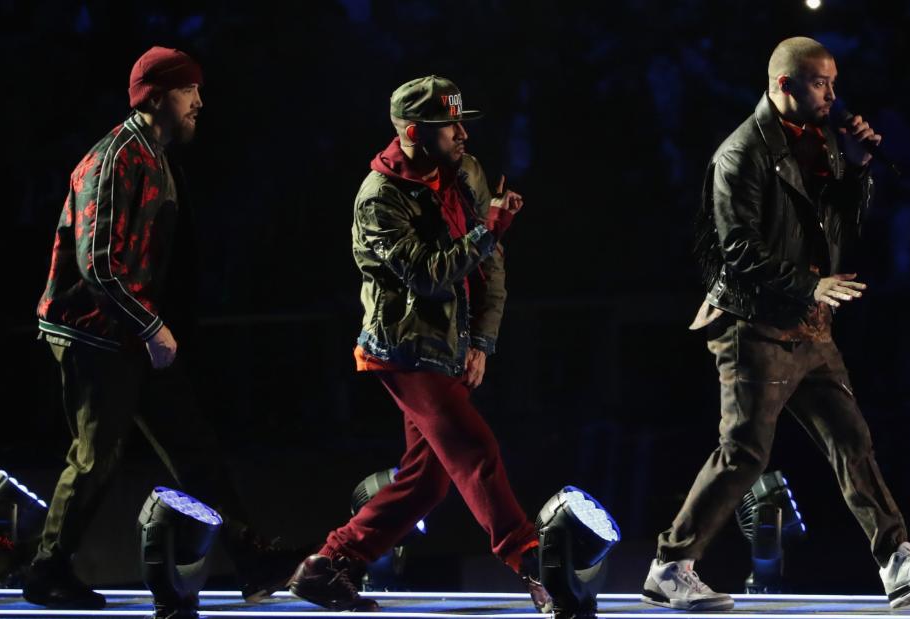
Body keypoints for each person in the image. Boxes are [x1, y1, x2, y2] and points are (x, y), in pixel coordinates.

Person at [640, 37, 910, 611]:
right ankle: (670, 565)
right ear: (786, 84)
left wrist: (857, 171)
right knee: (744, 451)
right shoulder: (742, 153)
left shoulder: (822, 141)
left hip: (809, 324)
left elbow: (838, 224)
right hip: (752, 325)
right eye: (820, 83)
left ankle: (897, 560)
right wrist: (811, 285)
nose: (833, 93)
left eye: (833, 82)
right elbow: (737, 250)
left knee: (851, 438)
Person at [30, 46, 301, 609]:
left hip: (130, 330)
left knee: (193, 446)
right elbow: (98, 264)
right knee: (95, 456)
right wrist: (152, 326)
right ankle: (46, 571)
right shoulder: (115, 159)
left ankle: (251, 559)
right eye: (188, 90)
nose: (199, 101)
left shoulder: (155, 154)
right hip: (93, 331)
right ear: (157, 96)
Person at [286, 75, 548, 612]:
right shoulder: (377, 198)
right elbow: (431, 275)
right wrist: (490, 229)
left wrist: (481, 340)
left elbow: (489, 267)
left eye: (460, 124)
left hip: (449, 346)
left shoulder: (464, 172)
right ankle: (534, 562)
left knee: (427, 480)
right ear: (413, 132)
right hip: (403, 350)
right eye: (449, 126)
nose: (462, 135)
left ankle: (328, 566)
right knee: (475, 451)